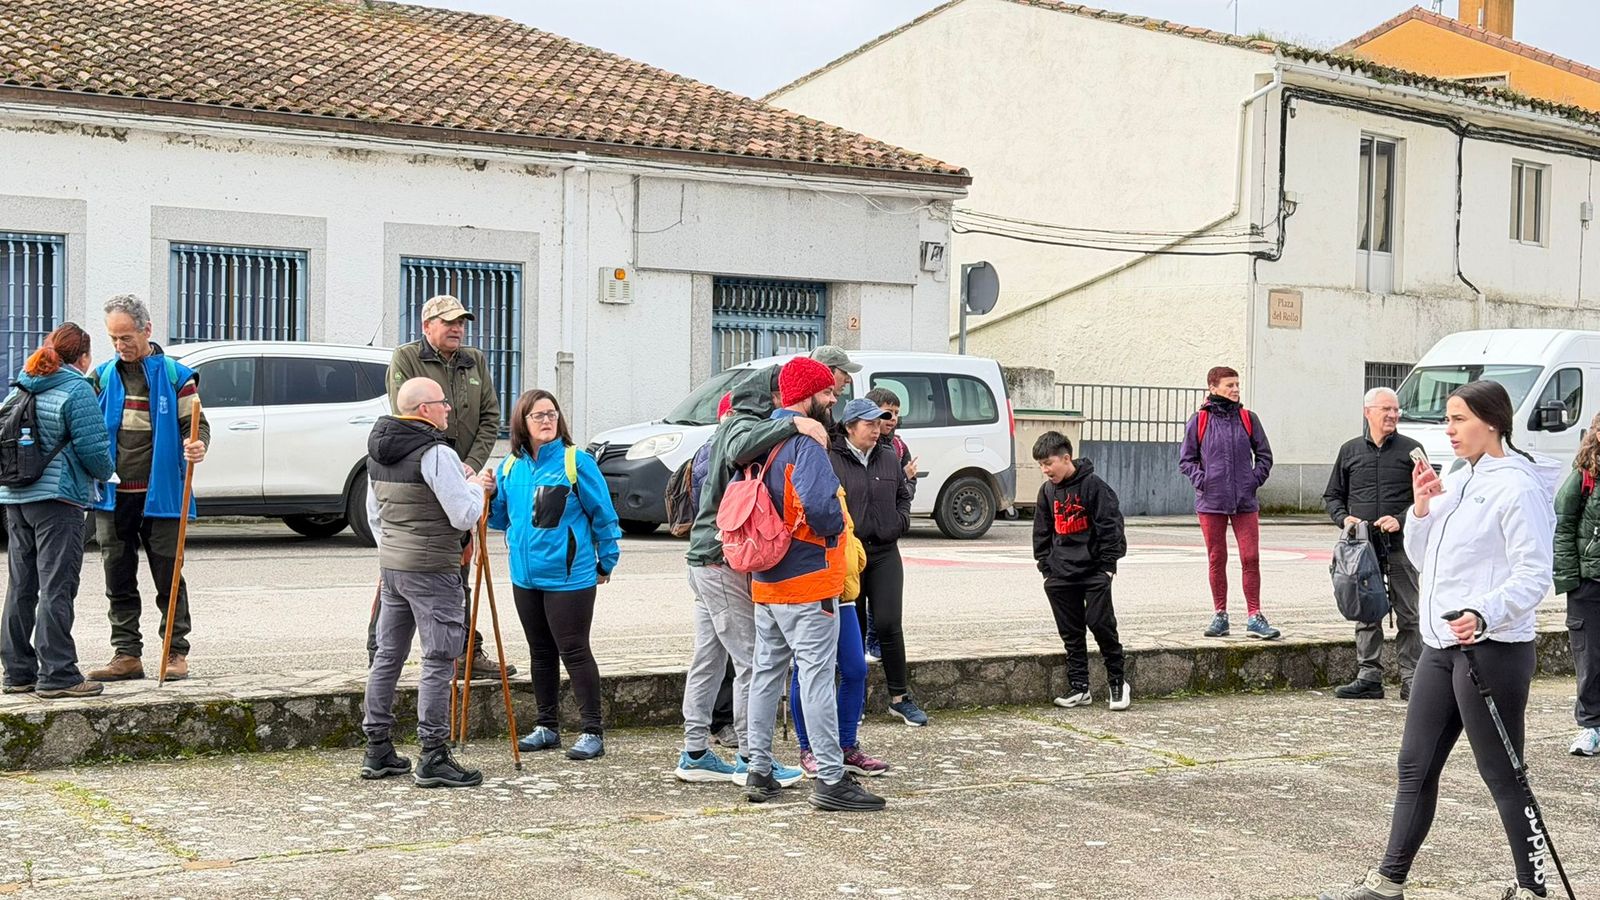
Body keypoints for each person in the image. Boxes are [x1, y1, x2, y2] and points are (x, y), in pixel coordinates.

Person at [1318, 380, 1561, 900]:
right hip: (1439, 646)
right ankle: (1388, 882)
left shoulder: (1516, 486)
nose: (1447, 430)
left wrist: (1484, 611)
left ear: (1492, 422)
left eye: (1458, 419)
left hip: (1492, 648)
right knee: (1414, 765)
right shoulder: (1458, 477)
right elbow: (1426, 560)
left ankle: (1533, 887)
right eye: (1447, 419)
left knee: (1502, 774)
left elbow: (1536, 574)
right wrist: (1423, 509)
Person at [744, 356, 885, 812]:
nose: (833, 401)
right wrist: (833, 535)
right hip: (808, 579)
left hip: (765, 578)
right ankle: (830, 777)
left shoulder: (760, 440)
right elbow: (821, 506)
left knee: (767, 677)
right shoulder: (806, 443)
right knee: (819, 678)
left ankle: (758, 768)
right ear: (805, 395)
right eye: (827, 393)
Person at [676, 375, 820, 787]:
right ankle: (750, 758)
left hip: (705, 559)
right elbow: (742, 445)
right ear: (768, 399)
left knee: (708, 660)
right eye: (781, 398)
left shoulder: (726, 428)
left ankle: (696, 752)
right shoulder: (740, 426)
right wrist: (794, 424)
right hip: (721, 562)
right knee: (752, 661)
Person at [360, 377, 488, 788]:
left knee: (388, 656)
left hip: (393, 567)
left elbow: (376, 515)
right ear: (423, 410)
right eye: (442, 403)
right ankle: (433, 753)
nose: (449, 408)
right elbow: (463, 515)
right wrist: (479, 488)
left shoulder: (377, 452)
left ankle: (377, 748)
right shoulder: (435, 453)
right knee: (438, 658)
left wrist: (396, 549)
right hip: (433, 568)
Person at [381, 294, 513, 682]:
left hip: (461, 475)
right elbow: (407, 415)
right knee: (410, 571)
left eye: (462, 322)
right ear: (427, 326)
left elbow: (490, 416)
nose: (458, 328)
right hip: (423, 474)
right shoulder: (407, 358)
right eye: (449, 322)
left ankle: (467, 651)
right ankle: (383, 649)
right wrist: (446, 466)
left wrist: (469, 468)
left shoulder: (475, 359)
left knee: (462, 563)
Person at [489, 390, 621, 762]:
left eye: (552, 414)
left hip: (569, 577)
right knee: (540, 652)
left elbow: (604, 516)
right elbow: (501, 519)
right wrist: (489, 493)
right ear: (522, 423)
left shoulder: (575, 462)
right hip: (525, 577)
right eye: (537, 416)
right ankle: (547, 726)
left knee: (574, 650)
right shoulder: (511, 466)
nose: (547, 421)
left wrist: (606, 561)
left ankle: (592, 730)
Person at [87, 294, 209, 683]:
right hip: (113, 495)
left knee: (168, 573)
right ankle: (126, 654)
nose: (121, 346)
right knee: (116, 573)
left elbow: (197, 424)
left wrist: (198, 443)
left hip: (161, 494)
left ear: (147, 330)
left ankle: (175, 651)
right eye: (113, 339)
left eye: (126, 337)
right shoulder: (102, 377)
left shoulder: (175, 375)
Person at [786, 398, 904, 777]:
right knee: (808, 670)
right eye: (869, 422)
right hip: (816, 582)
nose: (877, 427)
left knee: (854, 669)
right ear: (849, 426)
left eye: (880, 422)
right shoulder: (826, 457)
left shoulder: (888, 457)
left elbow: (898, 496)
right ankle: (809, 749)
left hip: (847, 583)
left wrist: (891, 526)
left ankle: (846, 744)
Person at [1, 324, 115, 698]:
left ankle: (18, 672)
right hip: (59, 500)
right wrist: (108, 473)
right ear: (81, 358)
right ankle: (58, 675)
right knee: (57, 586)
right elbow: (95, 450)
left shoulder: (20, 386)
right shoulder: (77, 388)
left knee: (22, 585)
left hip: (16, 498)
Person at [1323, 387, 1423, 701]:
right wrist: (1345, 519)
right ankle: (1369, 677)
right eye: (1386, 410)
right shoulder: (1349, 451)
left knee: (1410, 615)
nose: (1393, 415)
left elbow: (1430, 495)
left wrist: (1402, 519)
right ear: (1368, 412)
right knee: (1366, 612)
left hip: (1400, 547)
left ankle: (1414, 680)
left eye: (1396, 410)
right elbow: (1332, 496)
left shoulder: (1413, 451)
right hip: (1361, 549)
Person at [1178, 365, 1279, 640]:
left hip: (1245, 501)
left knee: (1251, 558)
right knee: (1216, 558)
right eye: (1229, 385)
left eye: (1237, 384)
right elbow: (1186, 459)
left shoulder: (1248, 418)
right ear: (1213, 388)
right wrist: (1203, 481)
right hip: (1211, 502)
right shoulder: (1199, 420)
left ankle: (1255, 617)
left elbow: (1265, 455)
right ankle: (1220, 615)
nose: (1235, 389)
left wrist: (1253, 480)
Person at [1032, 431, 1129, 711]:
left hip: (1094, 572)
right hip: (1060, 573)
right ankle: (1079, 686)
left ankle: (1118, 682)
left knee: (1101, 625)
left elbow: (1111, 527)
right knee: (1070, 632)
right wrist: (1046, 569)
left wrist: (1107, 568)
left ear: (1066, 458)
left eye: (1048, 463)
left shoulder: (1094, 486)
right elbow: (1042, 531)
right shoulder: (1047, 491)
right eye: (1041, 465)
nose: (1045, 470)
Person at [1552, 410, 1600, 757]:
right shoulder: (1585, 476)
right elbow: (1563, 527)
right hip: (1589, 584)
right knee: (1591, 660)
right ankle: (1590, 727)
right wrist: (1572, 582)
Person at [863, 386, 918, 666]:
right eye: (887, 413)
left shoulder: (898, 447)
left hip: (886, 538)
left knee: (884, 605)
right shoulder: (865, 446)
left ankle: (876, 643)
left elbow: (905, 490)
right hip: (862, 540)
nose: (892, 418)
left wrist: (900, 520)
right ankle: (864, 644)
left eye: (896, 413)